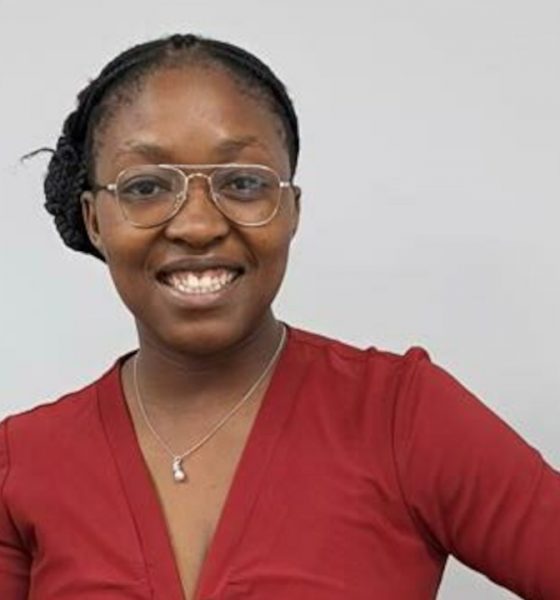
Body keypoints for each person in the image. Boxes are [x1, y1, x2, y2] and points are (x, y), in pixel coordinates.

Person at [1, 33, 558, 600]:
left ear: (291, 210)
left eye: (243, 183)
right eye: (146, 187)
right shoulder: (20, 463)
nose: (198, 225)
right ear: (95, 219)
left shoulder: (400, 418)